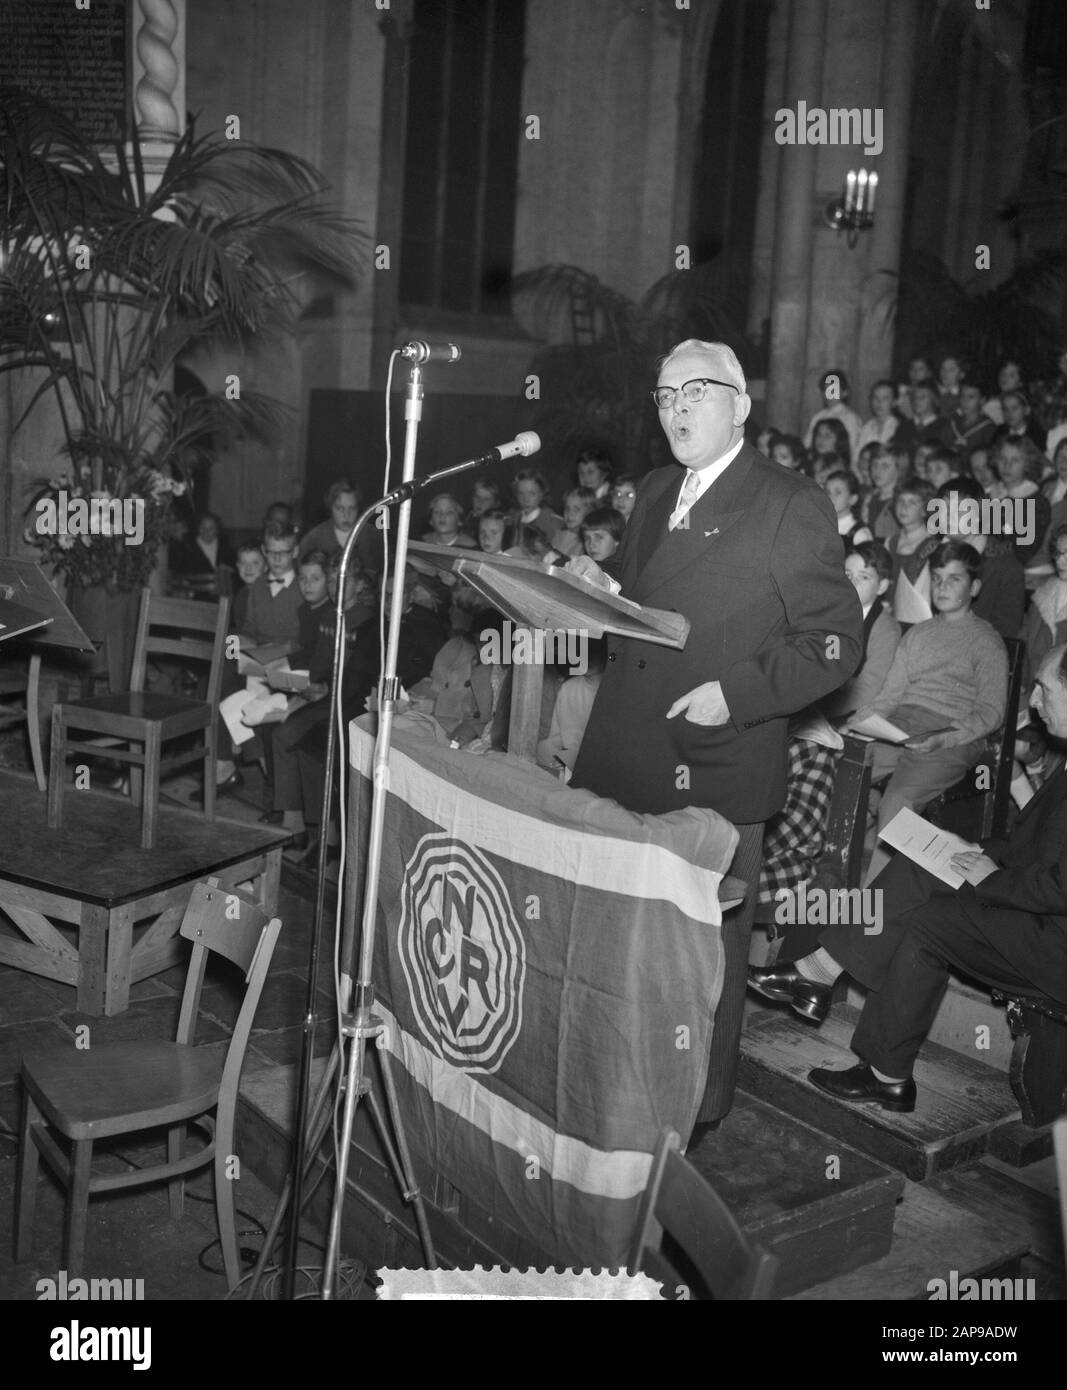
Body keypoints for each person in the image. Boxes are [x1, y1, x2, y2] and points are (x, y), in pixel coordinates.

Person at [567, 338, 863, 1134]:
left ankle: (697, 1111)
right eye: (663, 397)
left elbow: (834, 641)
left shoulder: (786, 499)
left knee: (701, 962)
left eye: (694, 392)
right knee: (615, 940)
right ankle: (611, 1094)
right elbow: (640, 604)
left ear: (740, 403)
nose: (675, 410)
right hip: (620, 751)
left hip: (711, 762)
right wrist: (589, 594)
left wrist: (733, 696)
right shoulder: (658, 487)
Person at [750, 644, 1067, 1113]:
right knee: (920, 864)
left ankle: (886, 1072)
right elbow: (1034, 846)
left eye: (1044, 688)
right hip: (1039, 911)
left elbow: (1060, 887)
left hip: (1054, 943)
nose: (1034, 704)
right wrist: (976, 852)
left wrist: (991, 879)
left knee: (930, 923)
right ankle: (818, 973)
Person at [844, 540, 1008, 883]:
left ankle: (876, 910)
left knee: (897, 802)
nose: (942, 587)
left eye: (954, 579)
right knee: (842, 765)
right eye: (936, 578)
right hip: (902, 726)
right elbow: (890, 696)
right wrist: (859, 722)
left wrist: (944, 739)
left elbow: (991, 713)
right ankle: (833, 876)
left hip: (953, 733)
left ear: (974, 586)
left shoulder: (986, 641)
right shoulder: (918, 633)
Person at [299, 478, 382, 576]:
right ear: (330, 507)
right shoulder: (313, 539)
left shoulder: (373, 537)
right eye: (340, 508)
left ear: (359, 508)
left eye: (352, 508)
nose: (346, 515)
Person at [803, 368, 863, 462]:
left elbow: (852, 449)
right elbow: (808, 444)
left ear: (845, 393)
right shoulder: (818, 416)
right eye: (826, 389)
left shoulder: (850, 417)